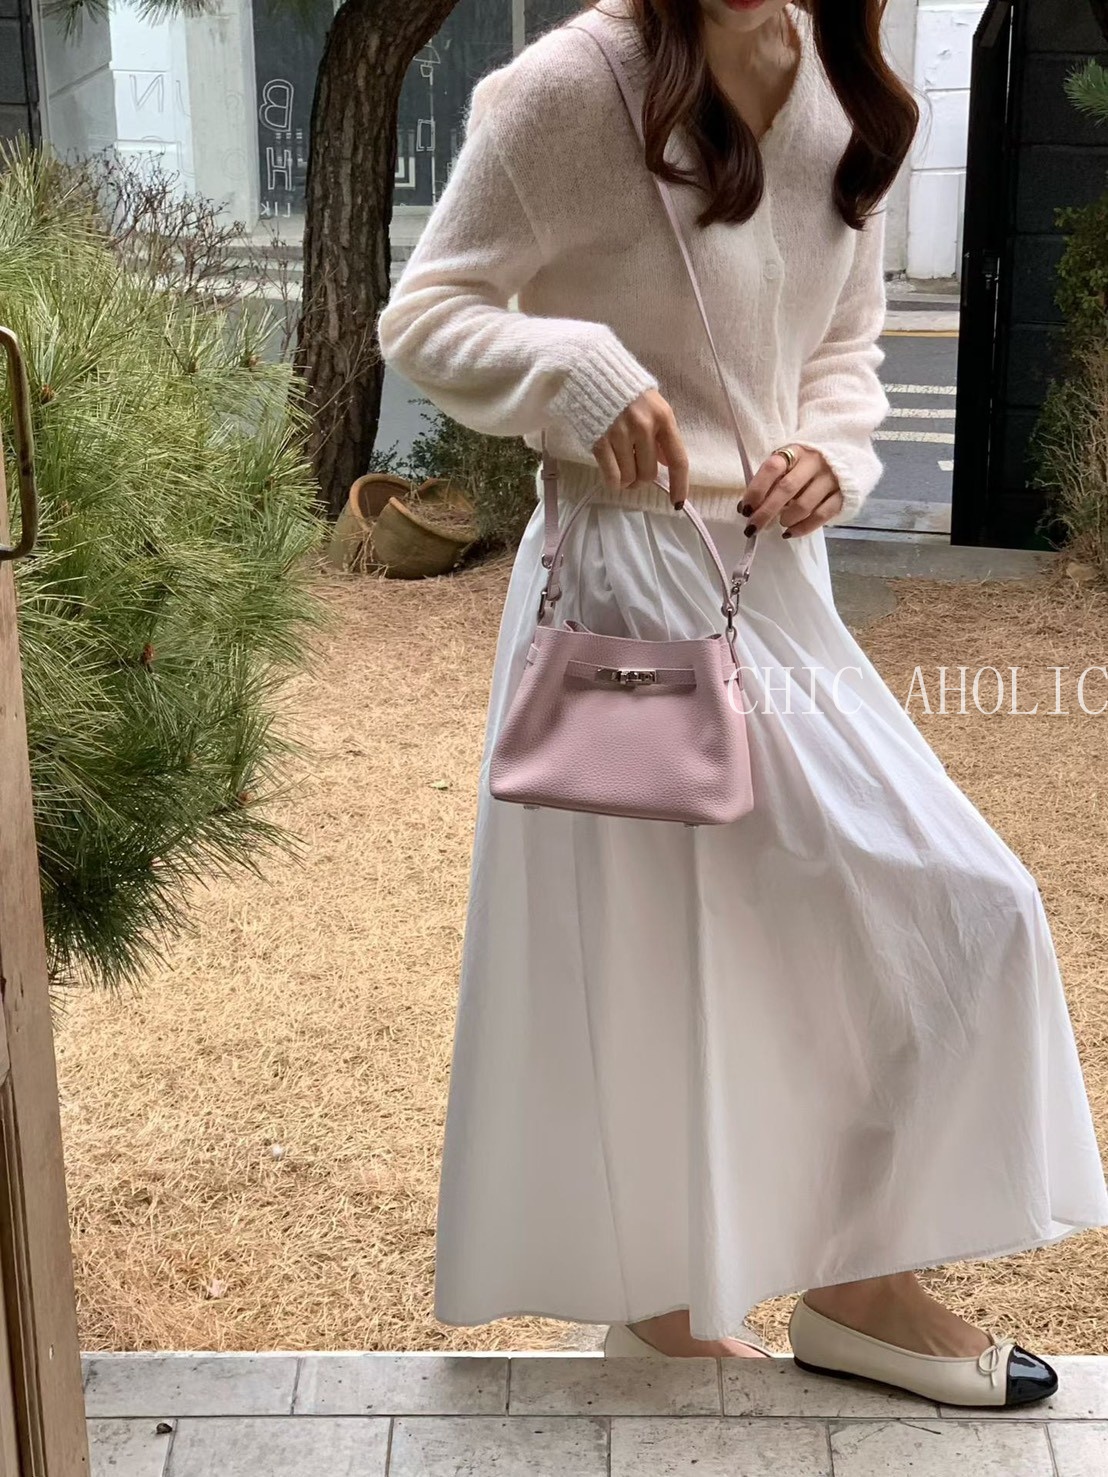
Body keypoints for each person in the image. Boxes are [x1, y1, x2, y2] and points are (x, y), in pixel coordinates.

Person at [376, 0, 1108, 1406]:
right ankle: (672, 1308)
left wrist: (832, 448)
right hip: (626, 587)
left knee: (967, 904)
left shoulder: (843, 88)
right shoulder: (567, 89)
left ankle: (859, 1281)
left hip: (771, 582)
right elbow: (428, 313)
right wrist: (576, 370)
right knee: (654, 956)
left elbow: (844, 348)